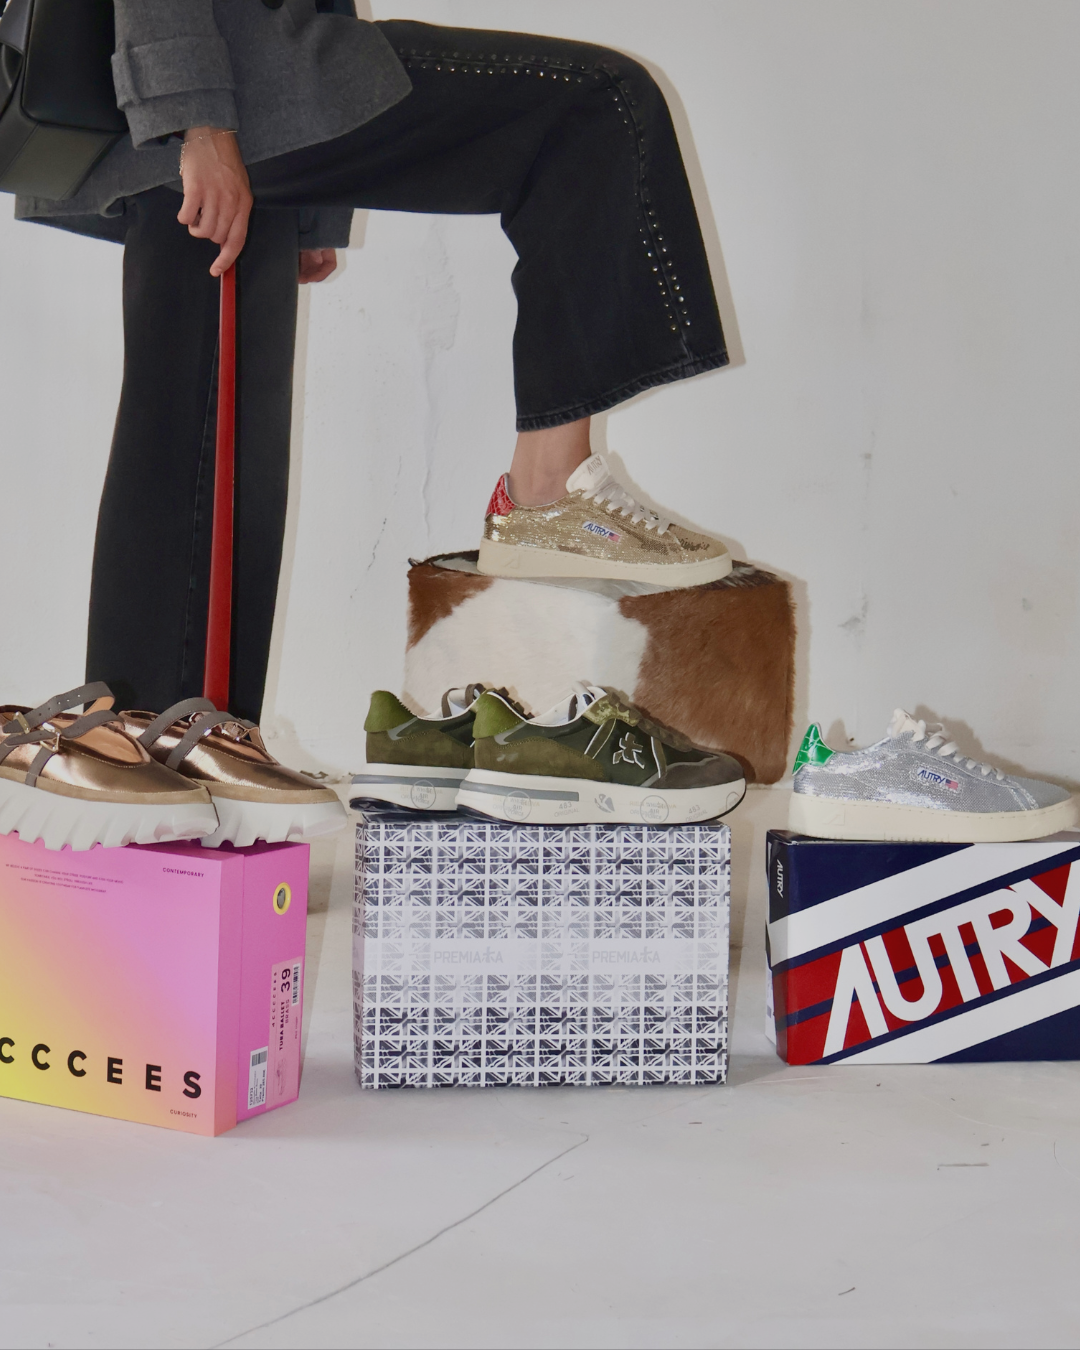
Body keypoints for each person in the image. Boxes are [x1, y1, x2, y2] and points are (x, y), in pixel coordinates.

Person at [16, 0, 731, 724]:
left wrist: (312, 207)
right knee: (597, 103)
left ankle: (168, 746)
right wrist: (193, 118)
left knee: (211, 443)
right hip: (216, 73)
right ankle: (547, 494)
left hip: (219, 81)